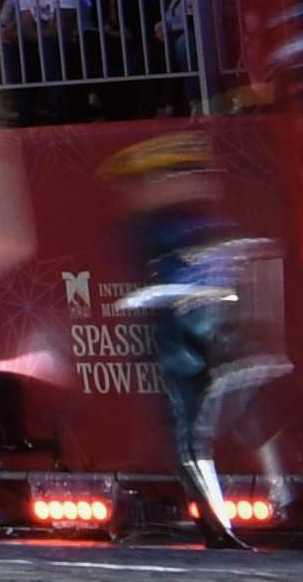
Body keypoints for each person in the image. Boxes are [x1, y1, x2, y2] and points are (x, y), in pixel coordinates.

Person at [108, 132, 257, 546]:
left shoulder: (204, 222)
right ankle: (216, 526)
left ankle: (217, 524)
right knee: (191, 437)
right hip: (177, 343)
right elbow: (155, 285)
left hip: (206, 338)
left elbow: (221, 277)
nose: (194, 180)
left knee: (199, 434)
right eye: (181, 173)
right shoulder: (149, 228)